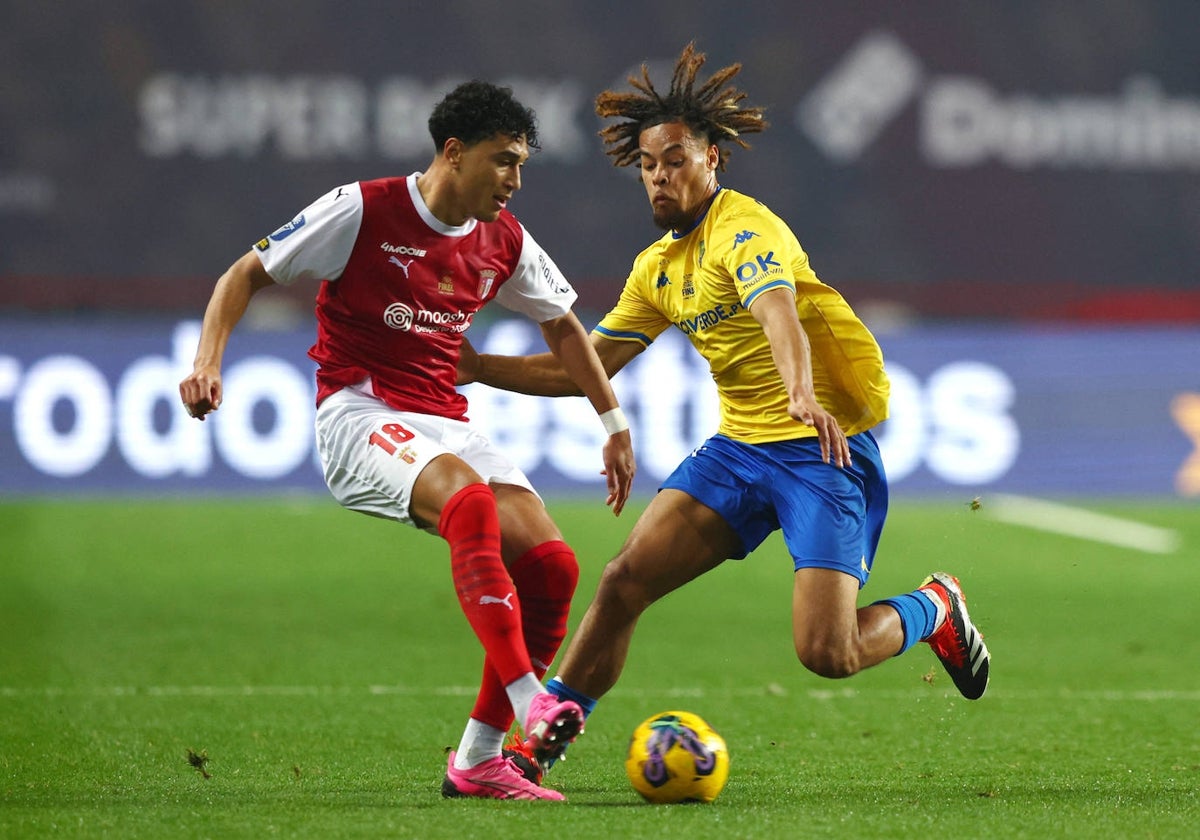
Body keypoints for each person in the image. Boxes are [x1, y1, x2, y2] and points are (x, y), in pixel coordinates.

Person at [458, 43, 990, 775]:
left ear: (713, 159)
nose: (660, 176)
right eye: (648, 165)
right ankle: (537, 747)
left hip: (820, 451)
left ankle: (934, 604)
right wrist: (479, 366)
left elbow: (778, 312)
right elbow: (587, 366)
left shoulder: (746, 230)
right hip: (740, 451)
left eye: (676, 159)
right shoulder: (657, 270)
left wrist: (801, 390)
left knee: (827, 654)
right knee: (621, 583)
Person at [179, 80, 636, 801]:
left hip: (441, 418)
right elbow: (243, 275)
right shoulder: (361, 209)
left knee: (552, 565)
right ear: (453, 153)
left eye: (521, 165)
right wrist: (207, 361)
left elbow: (563, 326)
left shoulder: (504, 238)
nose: (515, 180)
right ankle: (528, 702)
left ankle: (479, 762)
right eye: (503, 161)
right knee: (468, 501)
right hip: (358, 412)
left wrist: (613, 424)